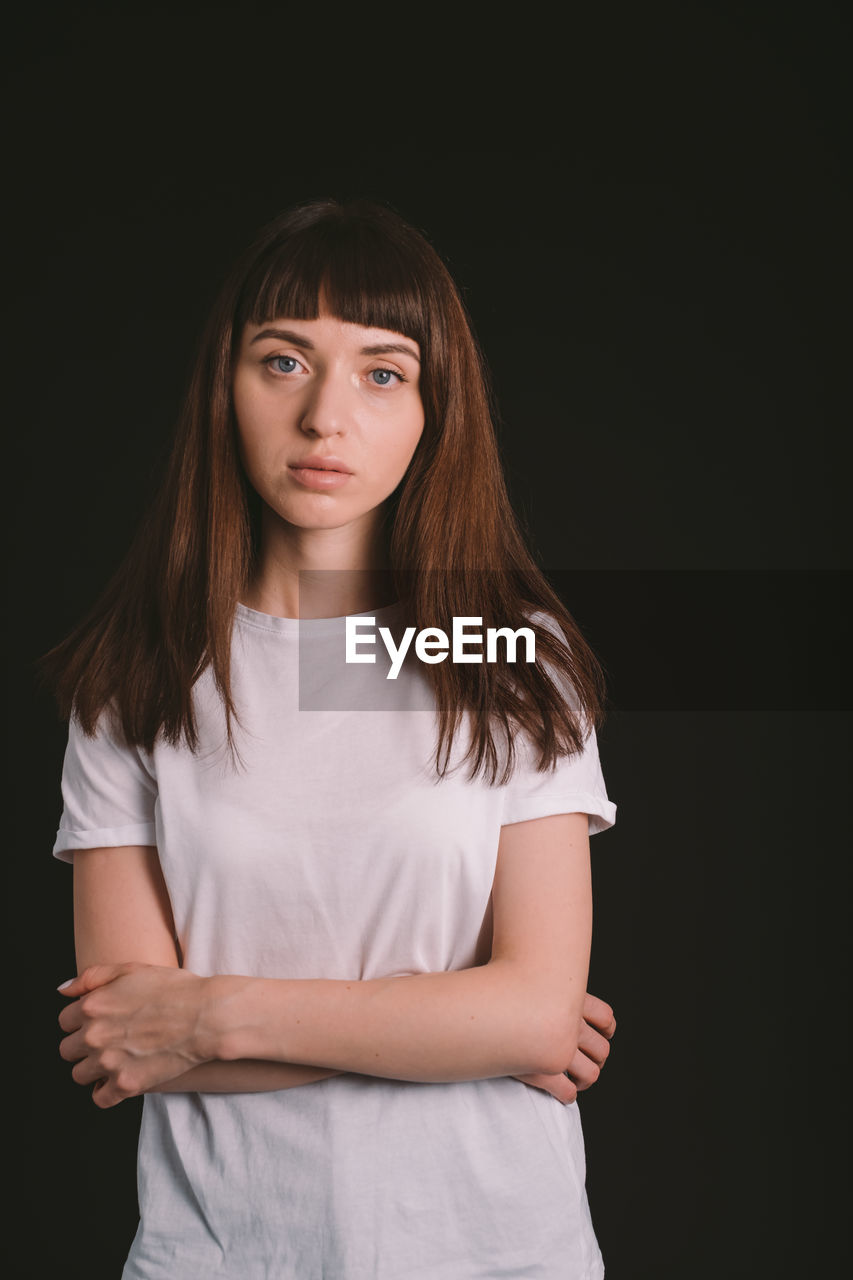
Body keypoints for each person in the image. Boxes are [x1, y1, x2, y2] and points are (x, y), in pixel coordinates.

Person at [45, 199, 618, 1279]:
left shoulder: (508, 657)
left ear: (435, 410)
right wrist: (463, 1026)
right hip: (219, 1254)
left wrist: (207, 1011)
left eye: (382, 372)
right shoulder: (133, 677)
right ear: (225, 385)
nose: (325, 418)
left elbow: (540, 1012)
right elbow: (129, 1039)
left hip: (497, 1252)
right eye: (283, 361)